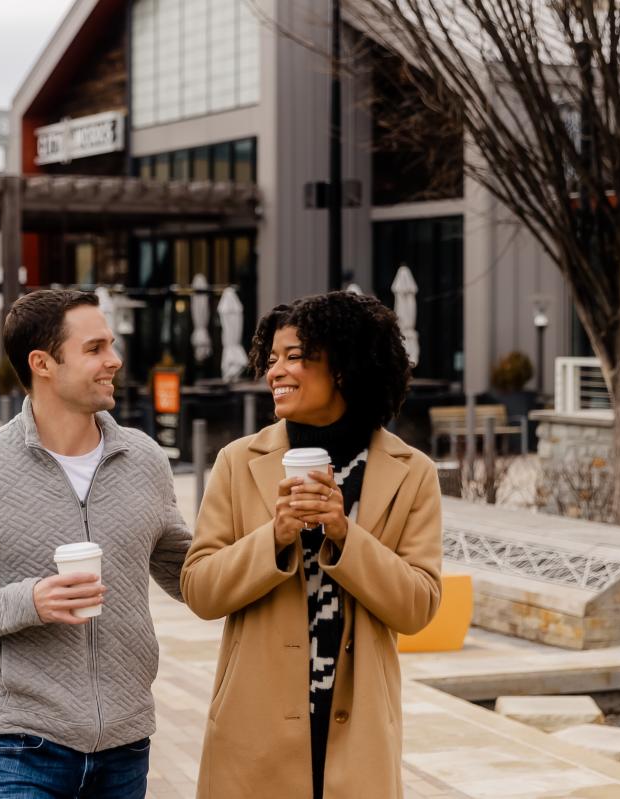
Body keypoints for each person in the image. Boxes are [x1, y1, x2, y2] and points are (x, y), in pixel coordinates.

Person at [0, 288, 192, 799]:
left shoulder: (145, 460)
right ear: (42, 363)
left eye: (110, 344)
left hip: (126, 744)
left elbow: (189, 572)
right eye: (95, 349)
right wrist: (30, 600)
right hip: (22, 746)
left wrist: (273, 540)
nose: (115, 359)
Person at [180, 291, 443, 799]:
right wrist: (274, 538)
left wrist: (344, 535)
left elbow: (418, 607)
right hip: (252, 733)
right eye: (272, 358)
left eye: (295, 356)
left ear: (344, 366)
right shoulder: (239, 462)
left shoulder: (412, 473)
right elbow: (199, 590)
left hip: (359, 734)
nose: (275, 370)